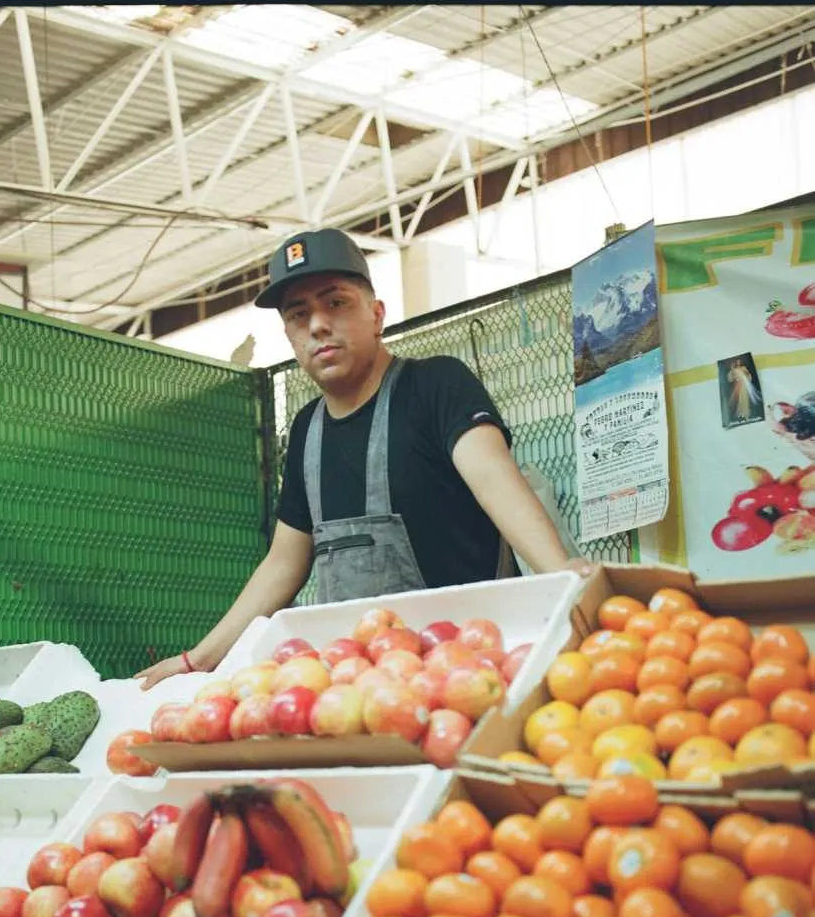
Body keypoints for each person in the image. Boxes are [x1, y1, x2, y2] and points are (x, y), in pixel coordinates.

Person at [137, 228, 592, 690]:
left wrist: (562, 575)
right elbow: (281, 566)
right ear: (290, 337)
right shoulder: (305, 433)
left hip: (469, 675)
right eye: (299, 315)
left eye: (335, 303)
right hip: (358, 691)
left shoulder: (436, 387)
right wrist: (197, 661)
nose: (317, 324)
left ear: (376, 314)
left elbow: (496, 478)